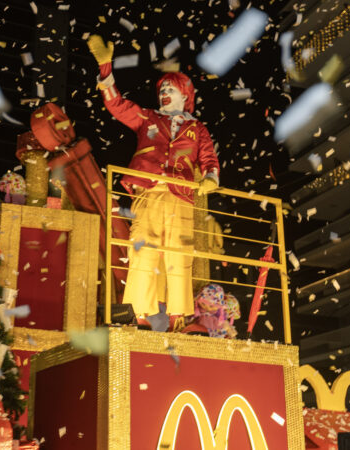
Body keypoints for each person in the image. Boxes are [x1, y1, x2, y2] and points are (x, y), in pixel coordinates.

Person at [87, 35, 221, 331]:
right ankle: (140, 311)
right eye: (162, 89)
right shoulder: (147, 118)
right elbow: (117, 105)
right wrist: (105, 69)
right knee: (143, 250)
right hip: (147, 191)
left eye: (170, 89)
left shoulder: (197, 129)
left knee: (178, 253)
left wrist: (211, 178)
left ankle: (178, 313)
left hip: (181, 195)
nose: (164, 94)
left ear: (186, 95)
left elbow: (209, 159)